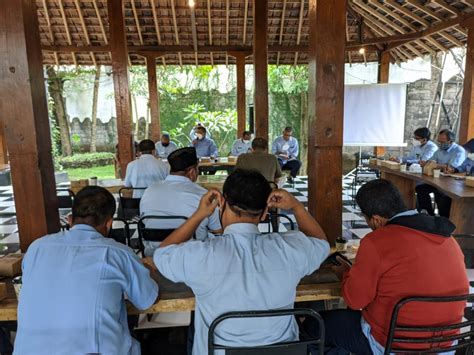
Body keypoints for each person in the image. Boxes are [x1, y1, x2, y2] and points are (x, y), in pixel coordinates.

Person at [153, 169, 329, 355]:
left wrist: (199, 214)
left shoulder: (202, 255)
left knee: (193, 330)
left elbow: (162, 254)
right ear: (264, 213)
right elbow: (321, 244)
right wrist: (297, 207)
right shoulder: (289, 249)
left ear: (221, 203)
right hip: (282, 351)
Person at [303, 179, 468, 355]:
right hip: (446, 346)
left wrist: (346, 273)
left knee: (313, 326)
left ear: (376, 220)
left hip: (392, 345)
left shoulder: (377, 242)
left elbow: (355, 300)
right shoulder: (448, 239)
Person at [14, 186, 159, 355]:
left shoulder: (36, 248)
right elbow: (147, 299)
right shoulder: (118, 253)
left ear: (70, 219)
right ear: (109, 223)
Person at [140, 147, 222, 255]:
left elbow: (143, 221)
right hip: (192, 259)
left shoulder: (149, 191)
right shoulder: (204, 196)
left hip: (154, 256)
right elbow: (218, 232)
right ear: (192, 171)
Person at [416, 129, 466, 217]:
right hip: (439, 179)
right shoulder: (439, 150)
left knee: (442, 197)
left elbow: (451, 167)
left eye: (442, 141)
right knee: (420, 189)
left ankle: (443, 220)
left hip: (452, 183)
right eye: (438, 141)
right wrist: (426, 163)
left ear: (450, 141)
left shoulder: (459, 151)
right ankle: (429, 214)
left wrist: (435, 165)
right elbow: (431, 160)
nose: (439, 143)